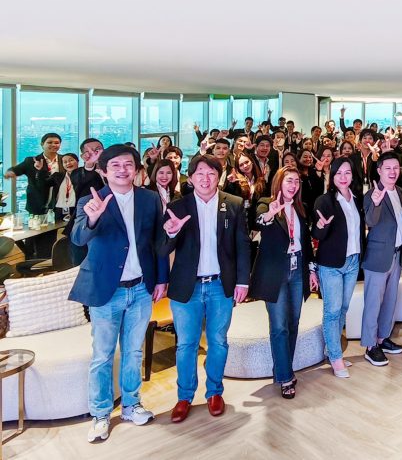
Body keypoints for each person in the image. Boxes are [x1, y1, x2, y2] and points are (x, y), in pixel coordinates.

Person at [68, 144, 169, 443]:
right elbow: (77, 238)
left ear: (137, 169)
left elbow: (158, 242)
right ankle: (100, 414)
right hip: (106, 290)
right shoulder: (90, 200)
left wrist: (161, 279)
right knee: (102, 355)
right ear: (103, 171)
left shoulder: (150, 198)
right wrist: (93, 219)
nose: (123, 170)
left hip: (141, 288)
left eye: (128, 165)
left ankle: (131, 405)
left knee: (133, 352)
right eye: (115, 165)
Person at [159, 155, 250, 422]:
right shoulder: (177, 207)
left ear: (219, 177)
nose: (205, 178)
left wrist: (243, 281)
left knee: (218, 341)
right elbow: (162, 248)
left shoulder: (233, 204)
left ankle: (214, 392)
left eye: (211, 173)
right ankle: (184, 396)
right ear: (190, 178)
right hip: (187, 287)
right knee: (186, 344)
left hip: (221, 284)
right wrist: (172, 233)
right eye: (199, 173)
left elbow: (242, 245)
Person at [249, 169, 316, 399]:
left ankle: (282, 369)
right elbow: (259, 222)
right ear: (280, 182)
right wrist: (271, 213)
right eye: (289, 180)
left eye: (297, 181)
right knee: (279, 326)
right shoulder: (266, 203)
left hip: (298, 269)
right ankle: (286, 377)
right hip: (275, 272)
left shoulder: (300, 208)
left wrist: (312, 270)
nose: (293, 185)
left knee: (293, 322)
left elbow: (306, 242)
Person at [312, 157, 364, 378]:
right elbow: (316, 234)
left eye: (347, 172)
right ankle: (335, 356)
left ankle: (331, 350)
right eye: (338, 173)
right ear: (332, 176)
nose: (343, 177)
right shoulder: (324, 201)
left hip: (352, 261)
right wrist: (320, 226)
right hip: (331, 264)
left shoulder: (356, 199)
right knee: (332, 311)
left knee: (343, 308)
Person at [361, 152, 402, 367]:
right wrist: (377, 202)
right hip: (378, 257)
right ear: (379, 170)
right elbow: (370, 220)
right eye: (387, 168)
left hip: (396, 255)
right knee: (373, 303)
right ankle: (370, 346)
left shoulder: (400, 192)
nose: (392, 172)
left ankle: (382, 338)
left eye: (396, 168)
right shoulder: (372, 194)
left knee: (390, 301)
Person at [5, 132, 62, 215]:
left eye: (56, 143)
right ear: (42, 144)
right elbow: (17, 169)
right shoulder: (31, 161)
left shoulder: (64, 160)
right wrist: (10, 172)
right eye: (49, 142)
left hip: (59, 203)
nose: (53, 145)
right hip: (37, 204)